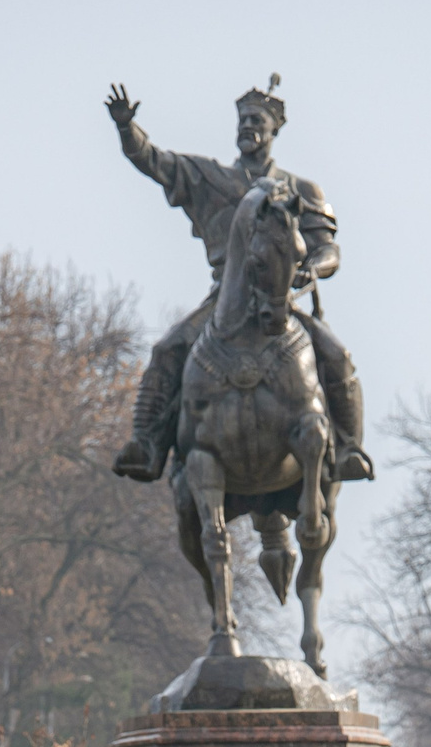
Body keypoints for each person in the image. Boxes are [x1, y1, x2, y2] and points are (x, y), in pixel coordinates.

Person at [104, 77, 369, 484]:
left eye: (256, 120)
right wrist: (127, 127)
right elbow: (153, 160)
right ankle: (146, 445)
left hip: (281, 298)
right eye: (243, 120)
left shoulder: (299, 190)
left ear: (273, 130)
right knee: (166, 350)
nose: (248, 127)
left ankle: (349, 448)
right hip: (223, 296)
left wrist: (311, 269)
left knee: (337, 356)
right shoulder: (208, 178)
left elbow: (329, 249)